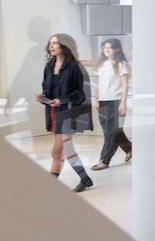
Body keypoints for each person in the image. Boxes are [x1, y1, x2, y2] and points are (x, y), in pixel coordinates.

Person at [37, 33, 94, 192]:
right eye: (50, 43)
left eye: (55, 43)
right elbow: (46, 88)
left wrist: (62, 100)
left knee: (58, 151)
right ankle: (85, 179)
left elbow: (81, 93)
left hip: (70, 112)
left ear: (64, 45)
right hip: (54, 113)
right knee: (65, 149)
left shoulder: (75, 66)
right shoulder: (49, 66)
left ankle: (51, 185)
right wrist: (44, 97)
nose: (51, 46)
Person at [91, 38, 132, 170]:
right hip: (102, 102)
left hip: (116, 101)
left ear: (117, 49)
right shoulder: (101, 64)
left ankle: (104, 160)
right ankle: (130, 149)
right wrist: (96, 99)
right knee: (113, 131)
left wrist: (123, 102)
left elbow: (125, 84)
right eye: (104, 48)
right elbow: (98, 84)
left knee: (111, 132)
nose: (106, 50)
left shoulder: (121, 63)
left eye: (110, 47)